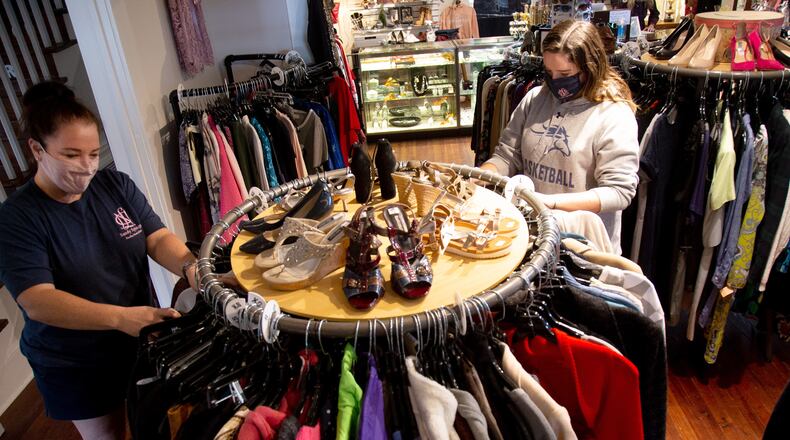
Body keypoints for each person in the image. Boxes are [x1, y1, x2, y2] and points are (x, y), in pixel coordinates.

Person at [0, 81, 201, 439]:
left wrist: (189, 266)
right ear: (37, 149)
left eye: (93, 153)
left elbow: (156, 238)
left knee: (150, 420)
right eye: (71, 154)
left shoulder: (115, 186)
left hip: (137, 335)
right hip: (76, 360)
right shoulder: (17, 218)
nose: (88, 166)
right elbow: (38, 301)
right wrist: (121, 318)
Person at [480, 20, 639, 253]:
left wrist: (550, 203)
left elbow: (619, 192)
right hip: (534, 236)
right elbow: (507, 156)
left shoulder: (613, 114)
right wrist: (477, 178)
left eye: (565, 73)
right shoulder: (535, 99)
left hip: (583, 246)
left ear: (590, 67)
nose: (555, 81)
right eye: (549, 72)